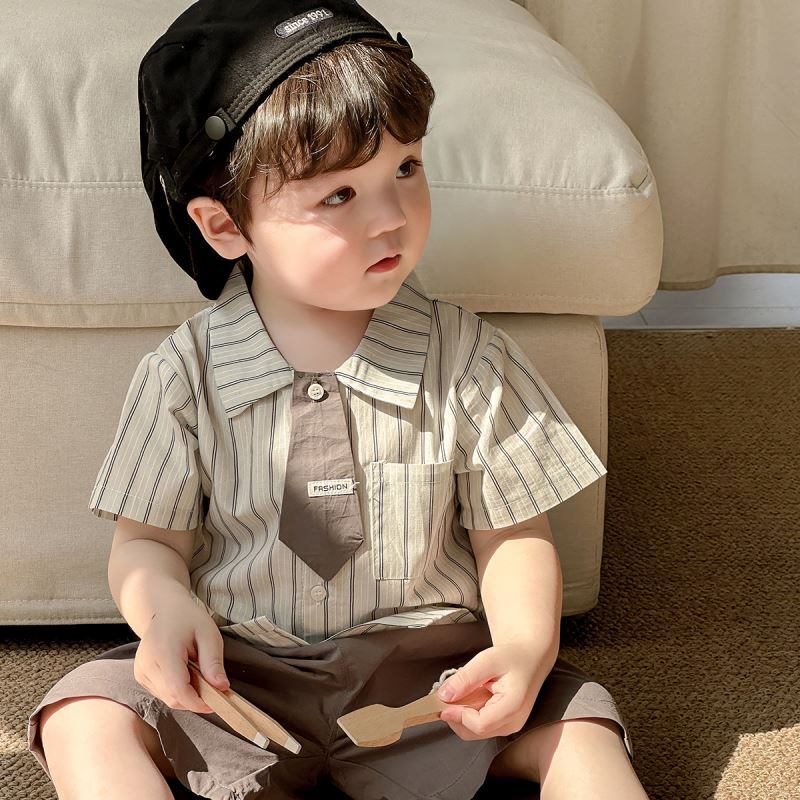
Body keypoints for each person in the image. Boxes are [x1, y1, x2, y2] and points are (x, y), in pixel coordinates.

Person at [26, 1, 650, 798]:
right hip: (238, 673)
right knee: (81, 714)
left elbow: (516, 536)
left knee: (582, 723)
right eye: (338, 197)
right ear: (224, 227)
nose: (391, 218)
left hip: (432, 678)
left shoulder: (469, 358)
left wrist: (525, 651)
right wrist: (162, 613)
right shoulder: (183, 374)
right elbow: (146, 542)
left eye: (406, 169)